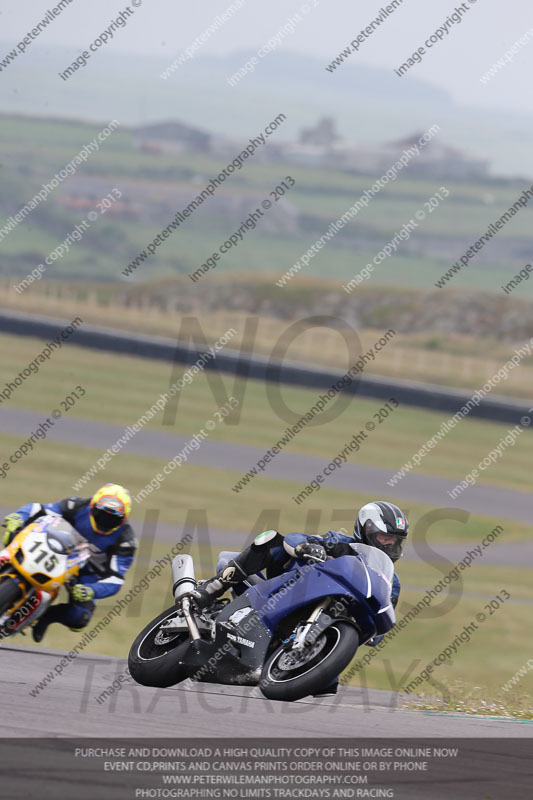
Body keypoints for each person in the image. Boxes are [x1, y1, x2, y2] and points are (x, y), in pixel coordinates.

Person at [191, 501, 408, 696]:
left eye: (396, 542)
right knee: (272, 540)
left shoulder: (390, 581)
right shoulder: (341, 543)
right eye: (385, 538)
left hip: (327, 623)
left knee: (328, 686)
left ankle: (306, 659)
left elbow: (381, 618)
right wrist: (306, 547)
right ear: (365, 529)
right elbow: (296, 538)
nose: (391, 546)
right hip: (290, 587)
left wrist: (373, 632)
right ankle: (213, 588)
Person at [2, 483, 136, 642]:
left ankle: (46, 615)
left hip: (88, 573)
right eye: (101, 514)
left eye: (113, 519)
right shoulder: (76, 505)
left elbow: (116, 579)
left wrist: (92, 590)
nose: (105, 521)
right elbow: (41, 509)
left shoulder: (126, 541)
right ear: (92, 506)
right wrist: (19, 516)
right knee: (14, 540)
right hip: (60, 551)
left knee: (79, 620)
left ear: (124, 519)